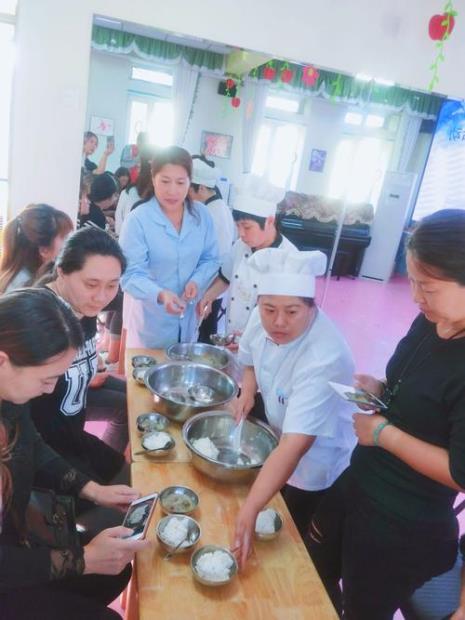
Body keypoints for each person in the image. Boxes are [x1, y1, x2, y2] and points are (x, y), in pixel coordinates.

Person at [308, 209, 465, 619]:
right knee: (312, 568)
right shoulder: (430, 321)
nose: (416, 297)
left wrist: (383, 434)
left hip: (403, 523)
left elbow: (461, 473)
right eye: (412, 282)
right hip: (361, 481)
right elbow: (416, 387)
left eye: (428, 287)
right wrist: (381, 389)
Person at [0, 288, 148, 619]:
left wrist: (94, 490)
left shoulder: (10, 399)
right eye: (47, 378)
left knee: (117, 570)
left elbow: (34, 446)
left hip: (16, 541)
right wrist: (83, 558)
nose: (51, 390)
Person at [231, 248, 356, 568]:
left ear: (311, 308)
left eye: (292, 311)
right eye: (269, 309)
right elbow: (249, 361)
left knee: (294, 548)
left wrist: (248, 510)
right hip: (280, 437)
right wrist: (248, 391)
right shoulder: (262, 321)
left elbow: (295, 445)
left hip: (315, 459)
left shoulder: (324, 355)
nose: (278, 321)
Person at [30, 228, 129, 528]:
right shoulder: (42, 321)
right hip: (42, 449)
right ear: (62, 271)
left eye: (112, 286)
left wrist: (90, 371)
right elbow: (22, 431)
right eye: (91, 284)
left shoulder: (81, 308)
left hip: (70, 434)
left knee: (127, 480)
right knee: (113, 520)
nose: (101, 297)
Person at [119, 145, 220, 348]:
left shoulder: (202, 216)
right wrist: (160, 294)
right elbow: (130, 274)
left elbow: (211, 259)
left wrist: (197, 281)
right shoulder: (139, 219)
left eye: (180, 182)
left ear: (190, 182)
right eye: (165, 181)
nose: (172, 190)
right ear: (153, 179)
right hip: (151, 325)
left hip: (188, 323)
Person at [197, 175, 296, 350]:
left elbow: (292, 319)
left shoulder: (290, 259)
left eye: (247, 227)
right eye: (238, 227)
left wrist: (254, 339)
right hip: (233, 338)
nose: (241, 234)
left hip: (266, 346)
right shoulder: (241, 246)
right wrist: (209, 296)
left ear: (269, 221)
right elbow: (226, 277)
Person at [188, 157, 235, 341]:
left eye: (188, 190)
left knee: (205, 333)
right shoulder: (209, 208)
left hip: (211, 285)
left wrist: (206, 291)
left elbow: (219, 259)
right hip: (204, 283)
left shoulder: (216, 213)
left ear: (200, 188)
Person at [0, 204, 73, 294]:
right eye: (64, 237)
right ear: (44, 250)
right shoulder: (24, 289)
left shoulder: (15, 276)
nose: (68, 242)